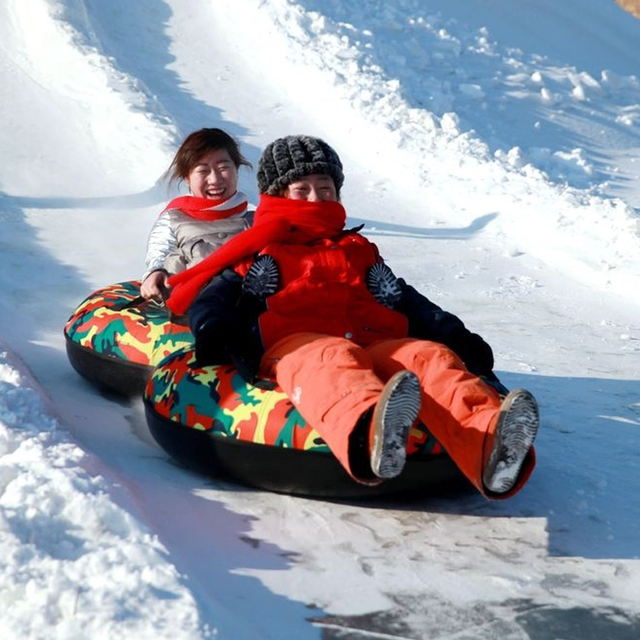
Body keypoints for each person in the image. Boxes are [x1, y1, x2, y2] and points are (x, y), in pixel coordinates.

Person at [166, 135, 539, 499]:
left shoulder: (357, 249)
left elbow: (406, 300)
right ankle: (371, 435)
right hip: (297, 344)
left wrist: (455, 336)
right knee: (330, 359)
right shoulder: (261, 250)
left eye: (325, 189)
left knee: (427, 357)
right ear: (278, 196)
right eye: (303, 189)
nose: (316, 198)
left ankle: (490, 443)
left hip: (374, 340)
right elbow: (216, 295)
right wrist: (212, 328)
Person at [140, 127, 253, 300]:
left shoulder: (256, 219)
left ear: (236, 170)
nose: (215, 179)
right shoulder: (174, 218)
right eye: (203, 170)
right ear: (187, 177)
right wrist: (156, 272)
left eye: (223, 167)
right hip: (193, 305)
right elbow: (161, 252)